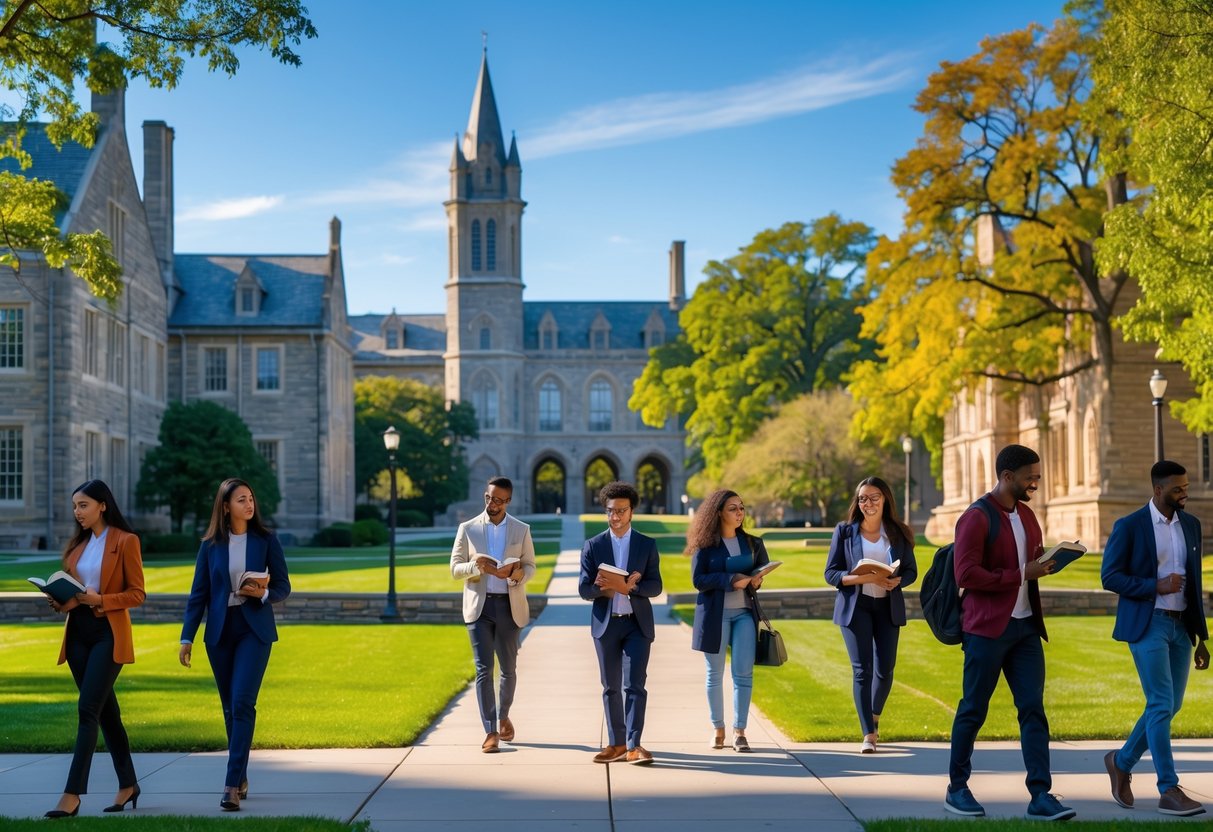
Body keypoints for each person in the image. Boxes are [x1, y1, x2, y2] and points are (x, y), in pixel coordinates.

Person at [945, 444, 1075, 821]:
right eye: (1029, 477)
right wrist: (1022, 574)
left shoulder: (1029, 516)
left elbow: (1029, 565)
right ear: (1006, 477)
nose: (1036, 482)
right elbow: (965, 575)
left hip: (1025, 630)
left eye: (1037, 476)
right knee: (973, 708)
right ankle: (957, 788)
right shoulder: (976, 517)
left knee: (1033, 710)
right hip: (986, 629)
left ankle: (1041, 795)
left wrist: (1049, 562)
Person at [1101, 460, 1209, 817]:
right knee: (1161, 703)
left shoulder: (1190, 525)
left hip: (1181, 628)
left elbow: (1194, 584)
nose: (1185, 493)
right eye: (1178, 488)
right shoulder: (1130, 526)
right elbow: (1110, 576)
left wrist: (1202, 638)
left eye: (1186, 486)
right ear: (1158, 490)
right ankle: (1168, 788)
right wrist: (1155, 586)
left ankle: (1122, 760)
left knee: (1169, 706)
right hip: (1148, 624)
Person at [180, 478, 291, 812]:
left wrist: (264, 593)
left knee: (243, 702)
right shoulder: (210, 545)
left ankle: (230, 785)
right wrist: (187, 637)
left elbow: (284, 585)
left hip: (253, 629)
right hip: (219, 633)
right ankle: (240, 775)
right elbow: (197, 594)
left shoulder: (266, 539)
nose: (249, 504)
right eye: (241, 499)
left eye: (251, 498)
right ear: (226, 506)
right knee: (230, 707)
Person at [44, 480, 146, 818]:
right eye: (75, 506)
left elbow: (137, 594)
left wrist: (100, 599)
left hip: (108, 634)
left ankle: (71, 794)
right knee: (106, 713)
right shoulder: (77, 547)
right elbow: (76, 596)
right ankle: (129, 784)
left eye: (83, 505)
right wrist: (61, 602)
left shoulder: (126, 541)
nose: (78, 512)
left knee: (87, 710)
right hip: (77, 636)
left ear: (102, 505)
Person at [823, 476, 918, 754]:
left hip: (887, 606)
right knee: (861, 670)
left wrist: (896, 581)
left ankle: (874, 716)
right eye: (863, 498)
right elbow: (831, 573)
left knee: (885, 669)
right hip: (857, 607)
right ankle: (868, 734)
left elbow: (911, 570)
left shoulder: (899, 532)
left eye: (874, 497)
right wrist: (860, 578)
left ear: (886, 499)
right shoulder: (844, 531)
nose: (868, 503)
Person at [450, 476, 537, 753]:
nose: (492, 504)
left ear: (508, 501)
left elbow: (530, 565)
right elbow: (454, 569)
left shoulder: (521, 530)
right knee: (483, 669)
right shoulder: (468, 529)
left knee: (508, 670)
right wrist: (476, 567)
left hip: (510, 606)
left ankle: (503, 716)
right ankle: (490, 731)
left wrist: (519, 574)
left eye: (498, 500)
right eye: (488, 498)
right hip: (480, 606)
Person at [578, 481, 663, 765]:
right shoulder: (593, 546)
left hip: (637, 624)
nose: (615, 517)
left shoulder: (646, 545)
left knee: (635, 685)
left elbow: (656, 586)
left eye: (621, 511)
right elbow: (583, 589)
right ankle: (615, 744)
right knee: (610, 686)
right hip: (606, 625)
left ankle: (634, 745)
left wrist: (633, 588)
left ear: (631, 512)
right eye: (610, 512)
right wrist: (601, 588)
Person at [687, 489, 770, 752]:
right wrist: (731, 580)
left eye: (742, 507)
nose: (739, 512)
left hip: (745, 613)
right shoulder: (705, 545)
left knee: (743, 674)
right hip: (715, 616)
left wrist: (757, 579)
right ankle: (718, 729)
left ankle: (740, 732)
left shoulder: (753, 543)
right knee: (715, 674)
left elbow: (759, 570)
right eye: (733, 508)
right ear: (719, 512)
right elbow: (698, 580)